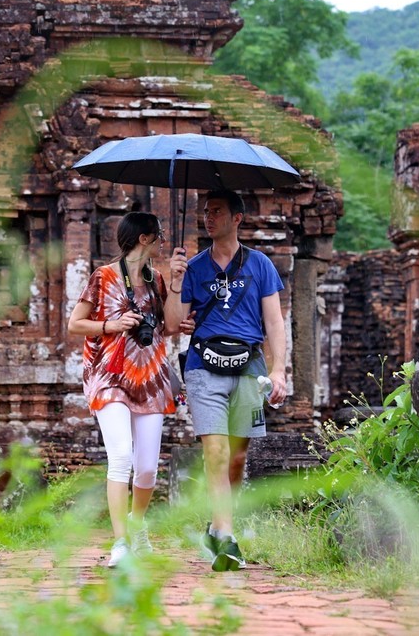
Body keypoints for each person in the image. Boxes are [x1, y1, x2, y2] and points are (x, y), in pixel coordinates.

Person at [165, 190, 287, 572]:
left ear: (237, 218)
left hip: (249, 367)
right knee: (215, 453)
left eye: (216, 211)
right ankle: (227, 539)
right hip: (204, 366)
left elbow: (274, 322)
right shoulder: (195, 268)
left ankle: (218, 525)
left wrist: (278, 368)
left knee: (236, 458)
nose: (208, 217)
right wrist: (175, 280)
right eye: (205, 212)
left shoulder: (261, 265)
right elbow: (172, 323)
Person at [67, 211, 191, 567]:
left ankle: (137, 525)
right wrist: (113, 323)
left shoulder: (156, 280)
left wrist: (178, 281)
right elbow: (76, 323)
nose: (163, 240)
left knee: (148, 468)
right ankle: (120, 542)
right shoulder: (103, 277)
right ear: (144, 239)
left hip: (150, 378)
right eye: (159, 234)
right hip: (109, 376)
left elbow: (169, 327)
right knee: (121, 457)